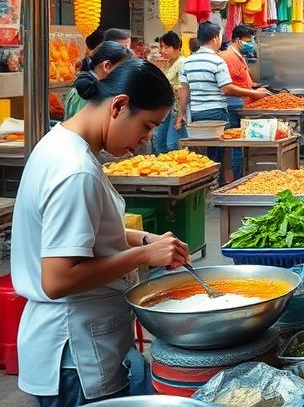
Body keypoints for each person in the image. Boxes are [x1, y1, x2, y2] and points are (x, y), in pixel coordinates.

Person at [11, 60, 190, 405]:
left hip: (77, 345)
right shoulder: (75, 171)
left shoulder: (63, 144)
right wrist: (143, 256)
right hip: (75, 355)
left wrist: (142, 239)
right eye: (146, 126)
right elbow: (58, 278)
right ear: (119, 106)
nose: (145, 140)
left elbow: (83, 233)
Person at [176, 22, 269, 173]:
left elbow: (184, 90)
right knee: (218, 153)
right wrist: (255, 93)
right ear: (214, 38)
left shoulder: (188, 61)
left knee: (201, 155)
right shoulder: (218, 61)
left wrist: (181, 114)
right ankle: (214, 186)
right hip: (216, 112)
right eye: (219, 36)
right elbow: (226, 89)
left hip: (196, 113)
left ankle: (206, 184)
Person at [220, 24, 261, 179]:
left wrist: (254, 87)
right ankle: (236, 180)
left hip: (243, 105)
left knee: (240, 145)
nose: (250, 43)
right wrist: (254, 93)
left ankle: (240, 177)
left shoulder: (239, 57)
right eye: (248, 39)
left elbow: (241, 79)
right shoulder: (228, 57)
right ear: (238, 40)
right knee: (236, 146)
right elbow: (228, 87)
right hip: (234, 107)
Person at [63, 42, 133, 121]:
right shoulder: (87, 90)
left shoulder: (88, 86)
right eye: (122, 69)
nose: (123, 74)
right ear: (107, 66)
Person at [152, 32, 185, 154]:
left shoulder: (181, 63)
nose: (163, 51)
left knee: (172, 145)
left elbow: (183, 88)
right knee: (158, 141)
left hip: (177, 109)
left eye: (166, 47)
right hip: (166, 109)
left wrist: (181, 114)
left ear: (176, 47)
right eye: (162, 47)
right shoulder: (168, 63)